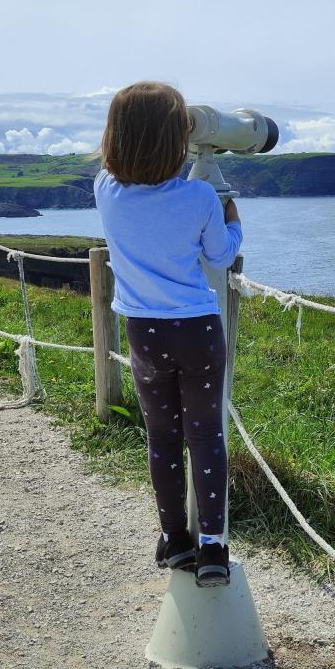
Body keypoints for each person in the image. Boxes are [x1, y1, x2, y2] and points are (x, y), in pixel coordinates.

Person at [94, 81, 242, 588]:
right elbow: (221, 257)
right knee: (205, 436)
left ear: (115, 136)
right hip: (197, 331)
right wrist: (232, 216)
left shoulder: (104, 191)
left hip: (143, 331)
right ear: (178, 138)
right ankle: (214, 548)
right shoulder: (200, 196)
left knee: (162, 437)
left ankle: (174, 539)